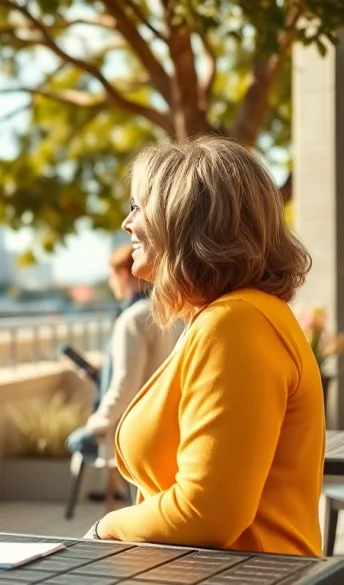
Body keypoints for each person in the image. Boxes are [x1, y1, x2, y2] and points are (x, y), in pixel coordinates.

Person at [86, 136, 324, 557]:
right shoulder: (230, 317)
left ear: (183, 220)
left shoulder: (237, 323)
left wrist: (106, 527)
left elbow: (205, 513)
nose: (127, 225)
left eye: (137, 207)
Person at [65, 244, 181, 467]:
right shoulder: (168, 311)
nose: (111, 283)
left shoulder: (133, 318)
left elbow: (125, 385)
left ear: (124, 273)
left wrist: (95, 426)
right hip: (163, 427)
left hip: (136, 433)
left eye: (111, 275)